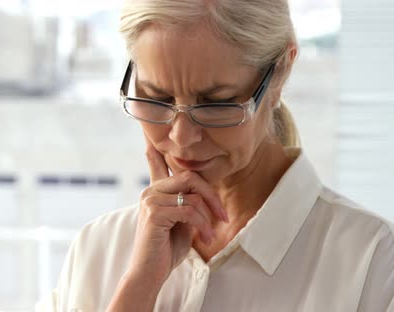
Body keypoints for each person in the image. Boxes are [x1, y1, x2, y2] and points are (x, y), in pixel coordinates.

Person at [37, 0, 394, 311]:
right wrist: (139, 286)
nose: (182, 137)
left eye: (216, 102)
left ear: (281, 70)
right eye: (157, 98)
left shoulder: (374, 265)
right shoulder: (99, 249)